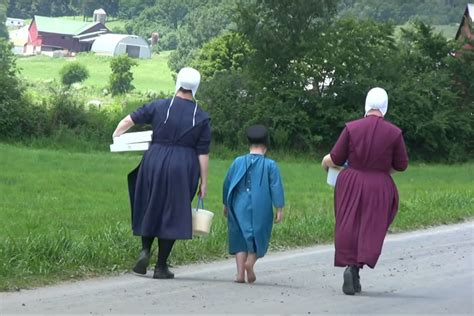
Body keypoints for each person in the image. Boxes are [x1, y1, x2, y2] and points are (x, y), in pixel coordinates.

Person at [112, 67, 211, 279]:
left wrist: (117, 135)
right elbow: (203, 152)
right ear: (196, 88)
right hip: (183, 165)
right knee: (173, 212)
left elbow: (129, 120)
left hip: (154, 159)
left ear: (178, 83)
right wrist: (204, 182)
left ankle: (145, 250)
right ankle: (161, 266)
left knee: (150, 203)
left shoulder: (159, 106)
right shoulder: (201, 117)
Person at [321, 87, 408, 295]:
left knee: (349, 222)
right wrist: (383, 171)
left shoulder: (351, 128)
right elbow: (402, 165)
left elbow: (335, 158)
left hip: (351, 181)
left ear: (366, 104)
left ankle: (351, 266)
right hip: (379, 184)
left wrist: (325, 163)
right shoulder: (394, 133)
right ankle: (356, 268)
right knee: (371, 225)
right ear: (385, 106)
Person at [222, 125, 285, 283]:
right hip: (261, 205)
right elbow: (276, 186)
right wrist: (279, 207)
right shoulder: (270, 165)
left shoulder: (237, 161)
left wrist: (226, 204)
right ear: (266, 145)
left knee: (239, 237)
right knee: (259, 234)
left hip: (238, 205)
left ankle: (239, 274)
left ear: (248, 144)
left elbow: (227, 183)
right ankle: (250, 263)